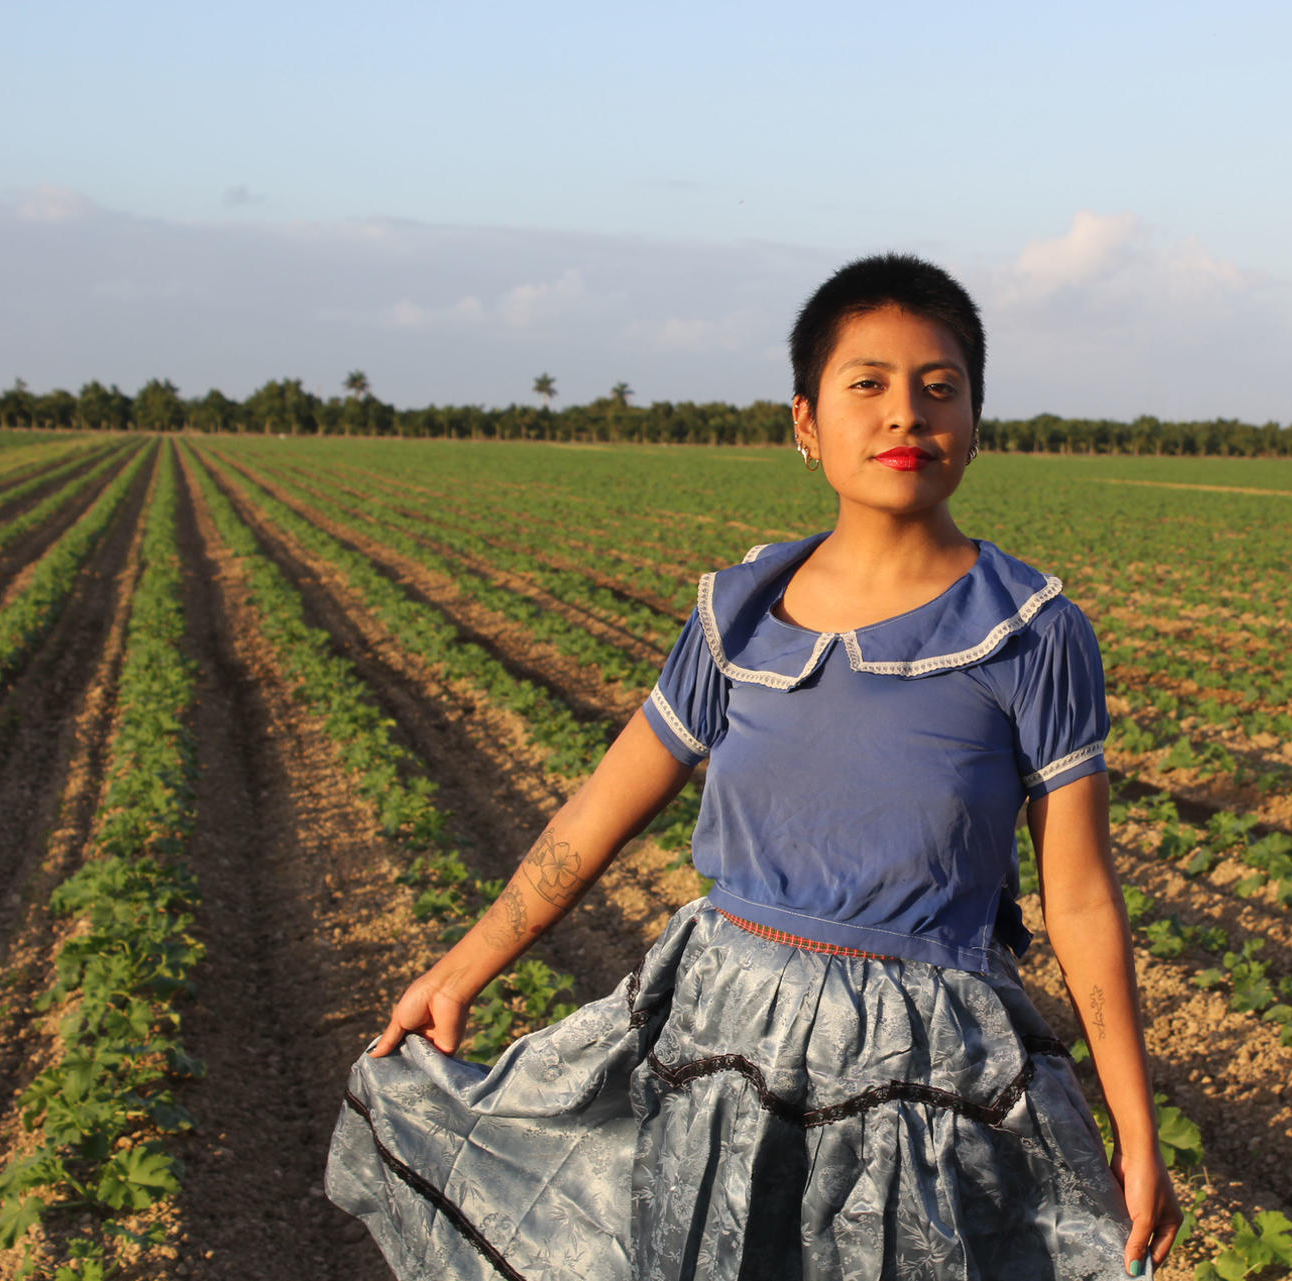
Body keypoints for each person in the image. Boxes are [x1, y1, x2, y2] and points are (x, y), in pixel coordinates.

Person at [327, 253, 1181, 1279]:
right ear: (807, 424)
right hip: (724, 1043)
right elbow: (601, 809)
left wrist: (1134, 1128)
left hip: (921, 1074)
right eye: (867, 385)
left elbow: (1080, 896)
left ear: (975, 420)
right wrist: (460, 970)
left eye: (939, 388)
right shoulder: (737, 616)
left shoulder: (1030, 633)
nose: (905, 414)